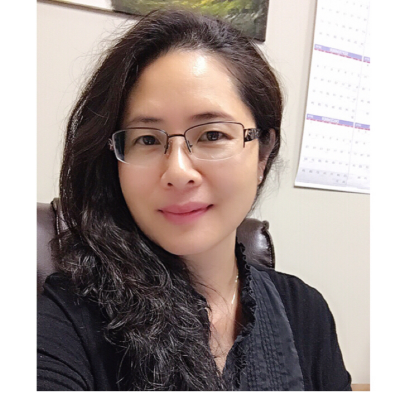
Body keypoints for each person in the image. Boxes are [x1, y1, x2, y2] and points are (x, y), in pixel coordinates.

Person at [37, 9, 352, 391]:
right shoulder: (70, 314)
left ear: (263, 152)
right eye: (147, 139)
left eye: (212, 135)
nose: (178, 171)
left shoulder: (305, 311)